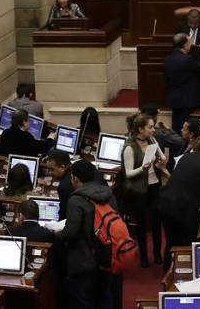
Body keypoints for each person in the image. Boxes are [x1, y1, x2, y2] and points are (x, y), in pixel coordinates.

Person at [158, 136, 200, 270]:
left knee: (171, 243)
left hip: (166, 203)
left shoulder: (188, 156)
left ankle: (168, 272)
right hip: (186, 210)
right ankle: (186, 273)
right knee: (189, 244)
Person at [54, 160, 115, 309]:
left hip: (83, 259)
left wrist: (57, 235)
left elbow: (71, 232)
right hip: (105, 254)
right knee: (103, 296)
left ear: (75, 178)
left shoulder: (76, 200)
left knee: (82, 299)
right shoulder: (108, 194)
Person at [122, 113, 169, 267]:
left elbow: (162, 159)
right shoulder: (130, 147)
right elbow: (128, 173)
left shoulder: (152, 141)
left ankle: (157, 254)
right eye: (150, 127)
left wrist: (162, 160)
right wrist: (142, 168)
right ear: (140, 129)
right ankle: (143, 256)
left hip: (154, 185)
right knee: (141, 224)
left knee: (156, 222)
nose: (153, 130)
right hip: (139, 190)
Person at [164, 33, 200, 132]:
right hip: (187, 100)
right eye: (189, 42)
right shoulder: (187, 59)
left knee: (176, 126)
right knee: (185, 128)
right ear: (185, 45)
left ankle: (175, 142)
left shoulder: (168, 58)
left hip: (174, 98)